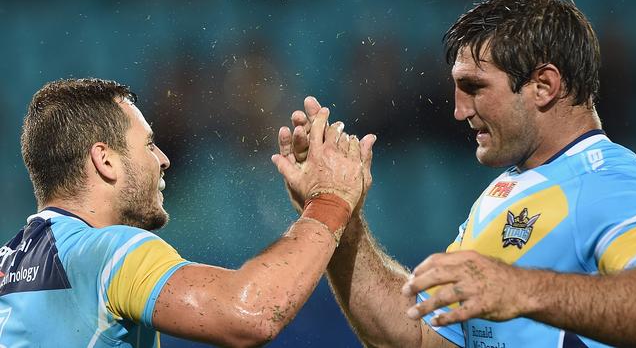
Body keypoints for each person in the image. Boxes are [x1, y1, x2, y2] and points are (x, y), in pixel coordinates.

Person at [278, 0, 636, 348]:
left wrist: (520, 288)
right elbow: (421, 335)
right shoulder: (507, 189)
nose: (459, 110)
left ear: (544, 85)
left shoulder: (607, 182)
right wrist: (340, 213)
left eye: (474, 87)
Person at [0, 78, 370, 347]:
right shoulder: (109, 251)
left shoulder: (9, 269)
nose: (163, 159)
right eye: (148, 144)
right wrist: (330, 200)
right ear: (106, 160)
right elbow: (252, 313)